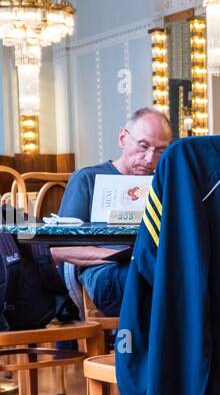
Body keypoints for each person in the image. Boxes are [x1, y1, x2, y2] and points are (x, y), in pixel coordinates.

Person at [52, 107, 172, 316]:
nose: (149, 158)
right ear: (123, 138)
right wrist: (118, 256)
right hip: (110, 274)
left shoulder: (163, 185)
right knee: (166, 281)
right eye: (143, 146)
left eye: (160, 151)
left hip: (155, 268)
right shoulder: (87, 179)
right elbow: (59, 249)